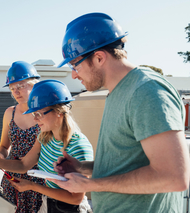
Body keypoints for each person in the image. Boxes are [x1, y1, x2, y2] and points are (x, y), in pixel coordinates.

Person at [51, 12, 190, 213]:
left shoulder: (147, 91)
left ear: (98, 58)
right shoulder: (117, 92)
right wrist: (83, 168)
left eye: (75, 65)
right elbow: (126, 162)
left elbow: (174, 178)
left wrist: (90, 185)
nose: (74, 74)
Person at [0, 80, 94, 213]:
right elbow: (23, 165)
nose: (35, 119)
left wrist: (32, 186)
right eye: (34, 114)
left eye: (39, 114)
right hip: (47, 203)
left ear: (59, 112)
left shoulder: (78, 145)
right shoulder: (45, 137)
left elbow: (75, 199)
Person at [0, 61, 45, 213]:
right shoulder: (8, 114)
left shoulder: (46, 113)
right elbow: (4, 146)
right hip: (12, 182)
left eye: (20, 86)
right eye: (12, 88)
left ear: (34, 85)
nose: (16, 92)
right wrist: (0, 155)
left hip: (40, 182)